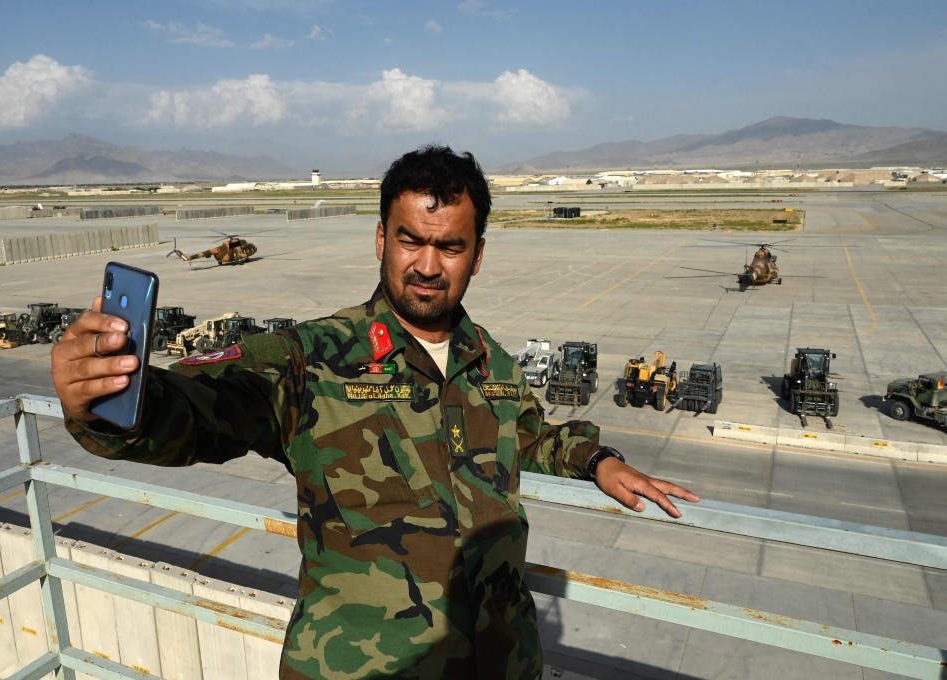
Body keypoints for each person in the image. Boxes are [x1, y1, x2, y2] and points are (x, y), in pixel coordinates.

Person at [52, 144, 699, 679]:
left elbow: (526, 432)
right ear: (381, 239)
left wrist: (598, 460)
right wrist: (109, 406)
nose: (426, 264)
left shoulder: (490, 362)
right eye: (410, 240)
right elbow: (215, 401)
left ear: (476, 254)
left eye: (449, 246)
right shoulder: (314, 357)